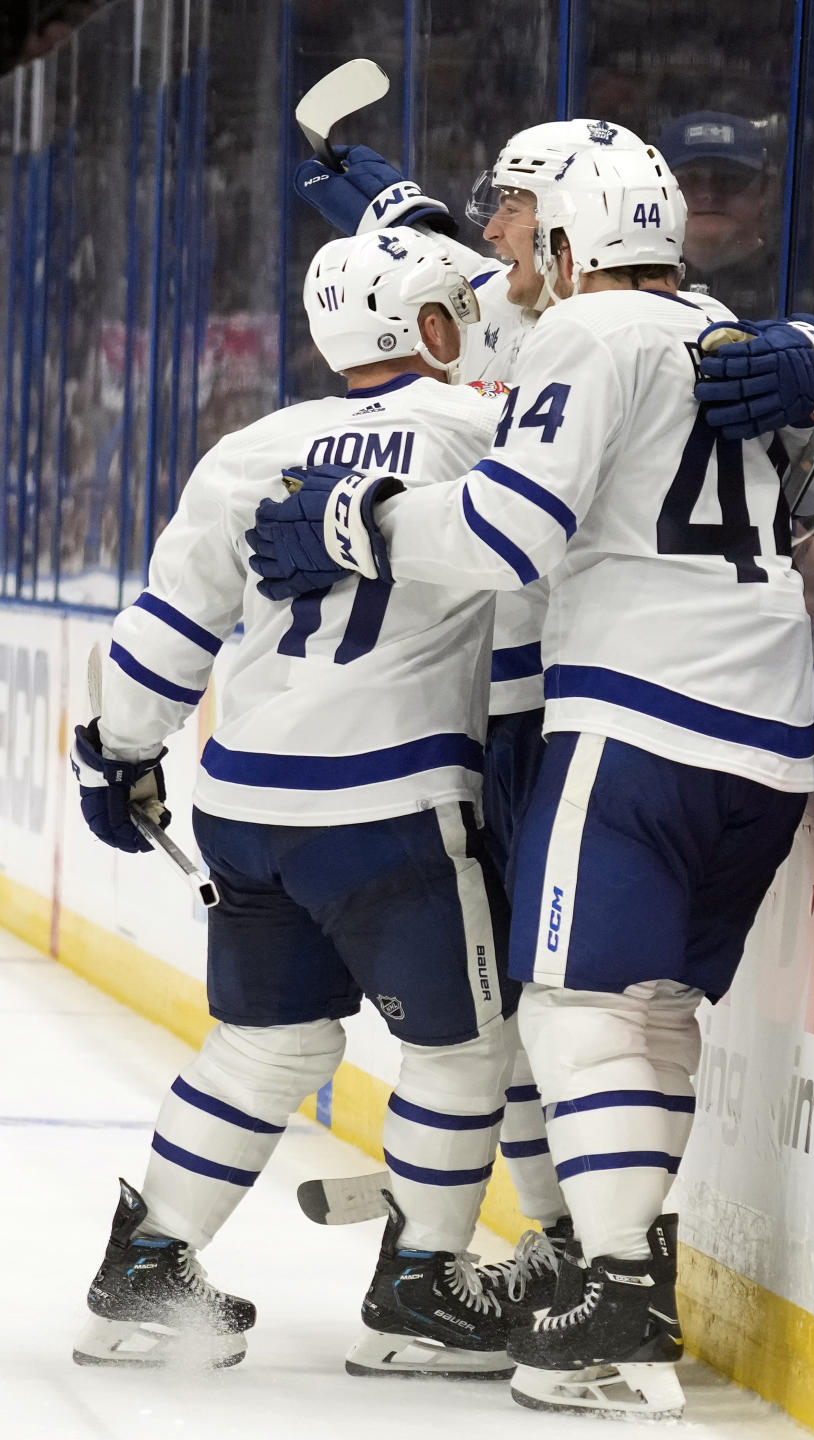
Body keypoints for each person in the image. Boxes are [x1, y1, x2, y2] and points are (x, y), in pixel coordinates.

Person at [248, 140, 814, 1419]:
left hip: (626, 705)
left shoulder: (580, 325)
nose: (498, 242)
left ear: (561, 237)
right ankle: (596, 1261)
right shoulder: (698, 317)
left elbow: (511, 528)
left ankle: (616, 1291)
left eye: (516, 217)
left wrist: (360, 524)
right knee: (644, 1004)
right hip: (764, 715)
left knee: (574, 1007)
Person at [69, 227, 535, 1377]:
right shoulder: (483, 435)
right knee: (464, 1053)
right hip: (395, 801)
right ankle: (424, 1290)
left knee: (263, 1044)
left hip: (248, 802)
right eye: (455, 311)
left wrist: (115, 754)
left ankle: (145, 1274)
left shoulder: (251, 447)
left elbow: (166, 629)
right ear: (431, 326)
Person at [656, 110, 780, 319]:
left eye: (729, 178)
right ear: (658, 190)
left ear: (765, 189)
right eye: (689, 179)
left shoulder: (797, 286)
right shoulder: (626, 283)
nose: (708, 194)